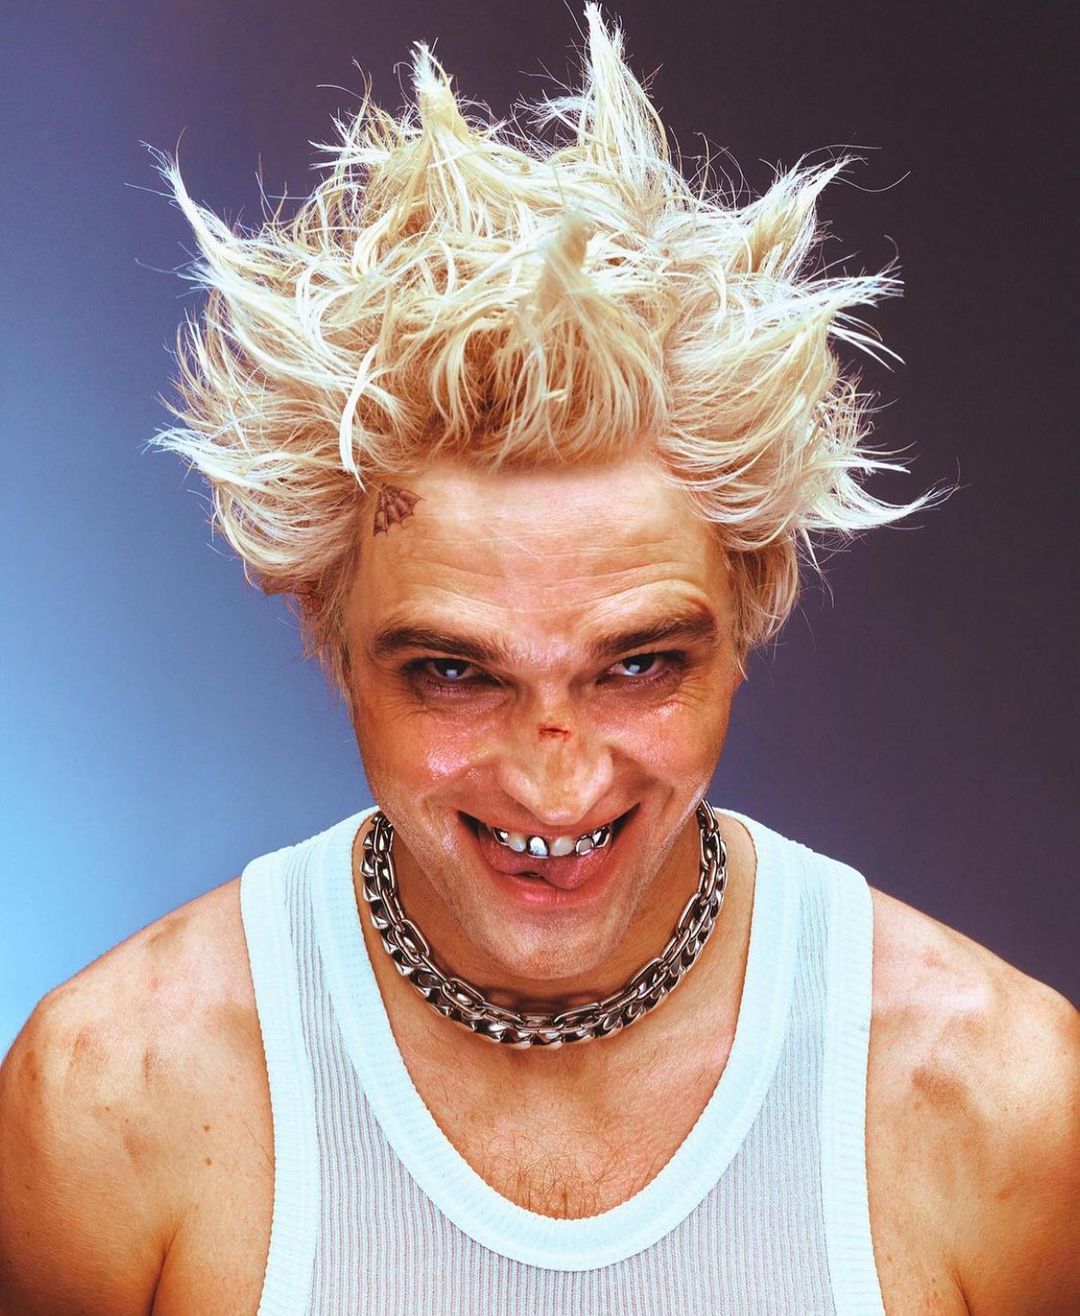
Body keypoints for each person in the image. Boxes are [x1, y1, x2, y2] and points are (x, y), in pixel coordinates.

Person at [1, 7, 1076, 1313]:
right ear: (331, 638)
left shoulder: (1001, 1105)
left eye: (638, 666)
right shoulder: (113, 1103)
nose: (556, 784)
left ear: (747, 621)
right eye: (456, 674)